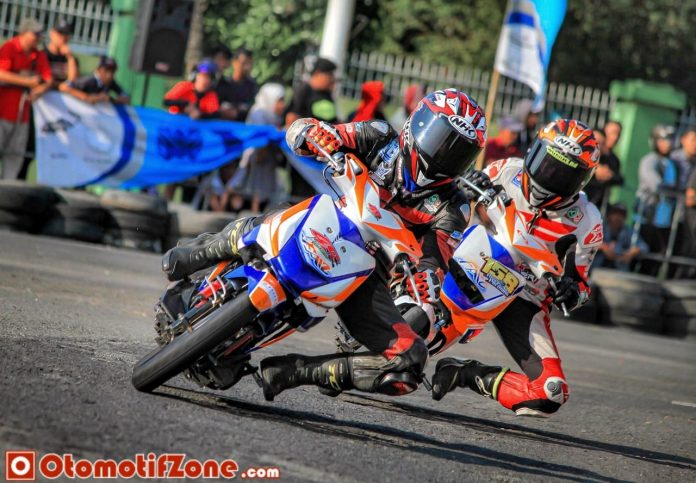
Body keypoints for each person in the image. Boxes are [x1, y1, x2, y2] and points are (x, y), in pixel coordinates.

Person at [160, 88, 488, 401]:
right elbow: (316, 131)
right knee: (269, 220)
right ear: (417, 122)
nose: (444, 154)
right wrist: (313, 134)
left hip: (368, 274)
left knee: (410, 360)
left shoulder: (454, 206)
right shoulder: (380, 135)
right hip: (328, 220)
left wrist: (426, 278)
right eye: (441, 139)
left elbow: (436, 256)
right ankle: (197, 252)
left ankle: (297, 371)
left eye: (458, 151)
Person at [431, 119, 603, 417]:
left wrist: (572, 292)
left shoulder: (587, 221)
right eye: (545, 163)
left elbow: (581, 285)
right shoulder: (505, 170)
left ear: (581, 181)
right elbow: (455, 206)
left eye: (563, 174)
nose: (549, 176)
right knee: (426, 341)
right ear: (533, 150)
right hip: (476, 267)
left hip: (525, 298)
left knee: (551, 393)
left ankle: (467, 373)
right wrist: (466, 188)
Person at [0, 17, 53, 180]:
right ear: (24, 33)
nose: (38, 38)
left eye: (40, 34)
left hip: (22, 116)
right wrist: (27, 81)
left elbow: (48, 79)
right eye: (35, 34)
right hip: (3, 112)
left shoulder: (38, 55)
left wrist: (40, 89)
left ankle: (7, 189)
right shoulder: (10, 48)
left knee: (15, 155)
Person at [234, 83, 286, 213]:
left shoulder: (272, 115)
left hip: (268, 158)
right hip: (255, 155)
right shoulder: (258, 113)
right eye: (279, 101)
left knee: (264, 187)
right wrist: (263, 148)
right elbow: (261, 134)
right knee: (250, 185)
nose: (282, 105)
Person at [636, 124, 680, 275]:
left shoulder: (671, 163)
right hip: (647, 216)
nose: (667, 143)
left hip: (664, 218)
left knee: (657, 257)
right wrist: (673, 190)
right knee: (642, 254)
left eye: (670, 140)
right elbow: (655, 185)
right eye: (663, 140)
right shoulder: (650, 161)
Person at [592, 203, 647, 271]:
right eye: (614, 213)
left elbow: (644, 247)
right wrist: (603, 247)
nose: (617, 217)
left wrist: (633, 252)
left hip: (619, 269)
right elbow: (585, 242)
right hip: (595, 268)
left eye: (621, 214)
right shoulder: (599, 227)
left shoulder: (628, 231)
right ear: (608, 215)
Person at [285, 57, 338, 126]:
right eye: (329, 76)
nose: (332, 79)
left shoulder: (327, 93)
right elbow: (291, 117)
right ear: (318, 73)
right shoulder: (303, 90)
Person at [60, 56, 130, 104]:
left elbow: (126, 97)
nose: (109, 74)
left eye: (112, 71)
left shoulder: (110, 82)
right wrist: (89, 97)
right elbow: (65, 87)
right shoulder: (88, 81)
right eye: (106, 70)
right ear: (98, 70)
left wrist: (112, 99)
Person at [583, 128, 623, 211]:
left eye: (601, 143)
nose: (596, 145)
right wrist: (594, 169)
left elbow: (618, 178)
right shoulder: (576, 153)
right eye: (594, 140)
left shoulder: (607, 159)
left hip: (592, 205)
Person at [215, 47, 257, 121]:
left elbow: (253, 107)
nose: (247, 67)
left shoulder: (252, 86)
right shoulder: (223, 84)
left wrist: (238, 112)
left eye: (249, 63)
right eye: (244, 63)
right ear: (234, 63)